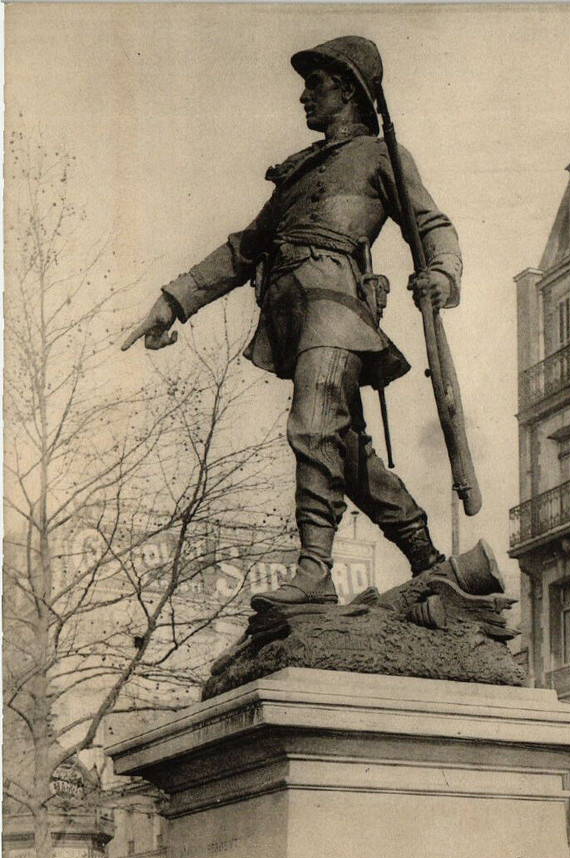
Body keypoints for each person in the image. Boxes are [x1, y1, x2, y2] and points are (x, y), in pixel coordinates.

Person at [123, 36, 462, 609]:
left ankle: (314, 571)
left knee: (311, 428)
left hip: (337, 312)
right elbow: (244, 248)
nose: (304, 96)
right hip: (294, 317)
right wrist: (174, 299)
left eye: (316, 84)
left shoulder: (382, 157)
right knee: (346, 454)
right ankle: (430, 560)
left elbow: (431, 224)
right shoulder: (300, 171)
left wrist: (444, 274)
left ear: (350, 91)